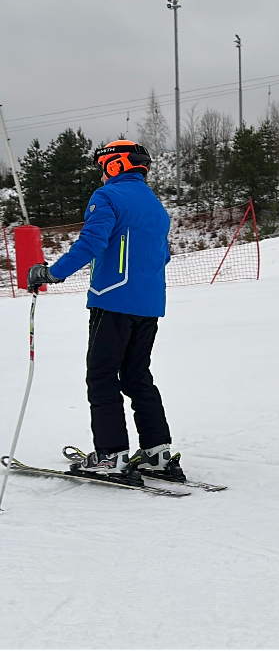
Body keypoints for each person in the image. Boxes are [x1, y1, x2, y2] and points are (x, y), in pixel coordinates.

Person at [27, 139, 182, 485]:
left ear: (116, 164)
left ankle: (111, 456)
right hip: (149, 305)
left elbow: (91, 243)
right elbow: (163, 255)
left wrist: (52, 273)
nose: (101, 175)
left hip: (112, 300)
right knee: (137, 375)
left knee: (102, 376)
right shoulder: (155, 205)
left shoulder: (108, 196)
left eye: (103, 167)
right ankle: (156, 454)